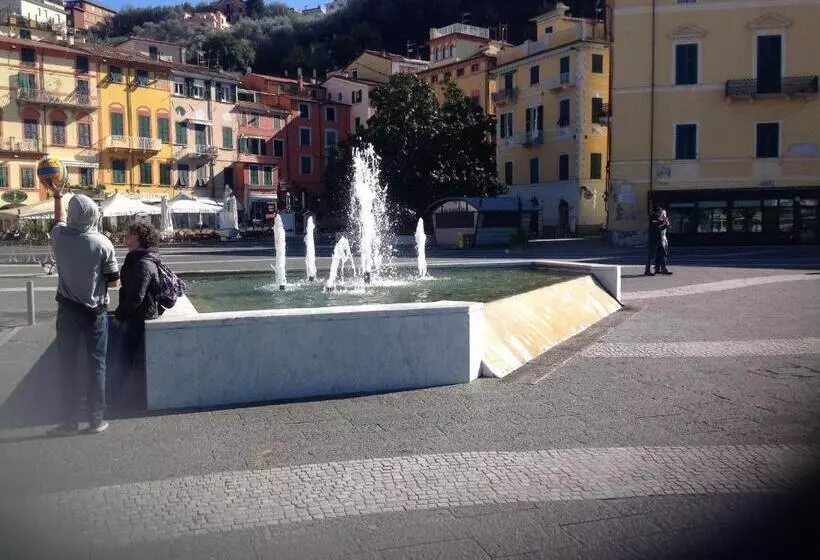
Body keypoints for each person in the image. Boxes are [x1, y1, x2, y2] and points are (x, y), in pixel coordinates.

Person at [48, 189, 119, 436]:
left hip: (66, 310)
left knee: (67, 366)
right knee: (96, 365)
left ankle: (68, 422)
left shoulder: (59, 237)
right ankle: (95, 420)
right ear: (92, 215)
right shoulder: (102, 243)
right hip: (95, 313)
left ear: (71, 215)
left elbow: (57, 222)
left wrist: (58, 196)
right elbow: (113, 282)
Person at [111, 221, 162, 409]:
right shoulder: (137, 258)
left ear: (139, 238)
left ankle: (113, 398)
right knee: (128, 357)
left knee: (124, 357)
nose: (126, 236)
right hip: (137, 314)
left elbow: (136, 297)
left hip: (139, 317)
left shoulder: (143, 263)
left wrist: (119, 316)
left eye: (130, 233)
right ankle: (118, 395)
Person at [645, 207, 672, 276]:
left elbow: (665, 226)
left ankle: (661, 268)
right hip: (653, 240)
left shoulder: (659, 219)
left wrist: (666, 223)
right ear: (656, 213)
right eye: (660, 213)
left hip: (660, 240)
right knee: (651, 256)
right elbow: (659, 228)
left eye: (662, 213)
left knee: (662, 254)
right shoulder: (653, 218)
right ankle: (647, 270)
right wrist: (665, 223)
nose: (661, 215)